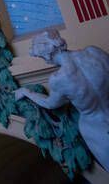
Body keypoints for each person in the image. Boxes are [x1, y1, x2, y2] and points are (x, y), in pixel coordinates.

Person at [15, 30, 109, 172]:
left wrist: (26, 92)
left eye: (42, 58)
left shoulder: (59, 79)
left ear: (47, 55)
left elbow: (50, 104)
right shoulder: (93, 52)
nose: (46, 61)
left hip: (96, 127)